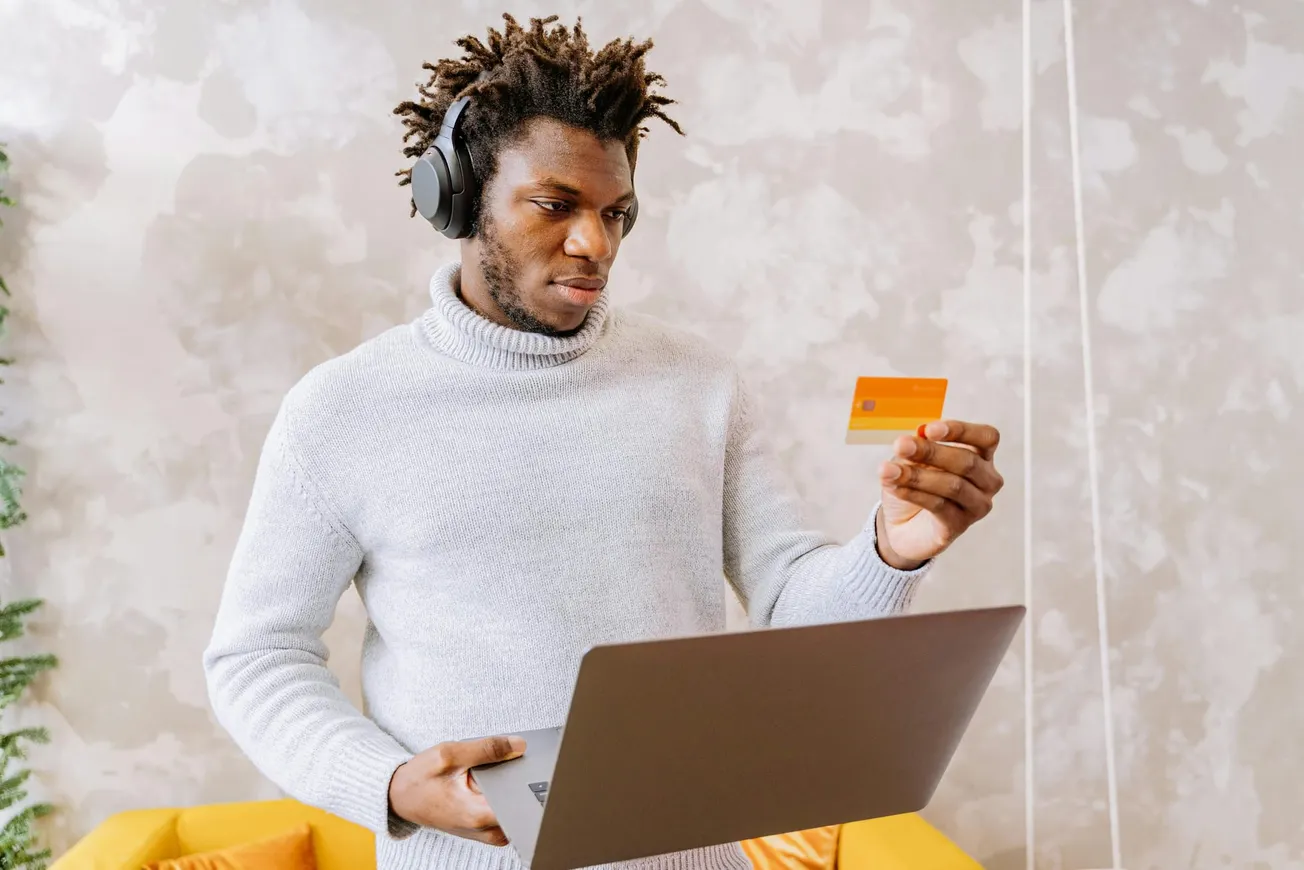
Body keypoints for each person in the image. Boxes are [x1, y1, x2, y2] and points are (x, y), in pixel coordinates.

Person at [203, 13, 1005, 870]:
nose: (596, 245)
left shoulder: (699, 383)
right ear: (459, 197)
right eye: (555, 205)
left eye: (616, 212)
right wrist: (391, 783)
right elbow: (257, 658)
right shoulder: (342, 410)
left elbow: (792, 609)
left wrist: (893, 550)